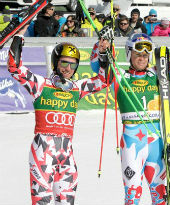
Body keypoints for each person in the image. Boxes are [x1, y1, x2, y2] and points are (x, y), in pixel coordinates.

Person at [90, 11, 170, 204]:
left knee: (162, 196)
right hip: (132, 144)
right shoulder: (120, 76)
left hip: (157, 143)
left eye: (145, 55)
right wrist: (102, 46)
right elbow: (99, 69)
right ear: (129, 54)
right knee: (132, 195)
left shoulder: (158, 74)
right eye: (137, 54)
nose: (142, 58)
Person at [7, 25, 109, 204]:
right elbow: (14, 67)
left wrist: (103, 53)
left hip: (67, 156)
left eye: (73, 64)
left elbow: (105, 80)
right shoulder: (41, 84)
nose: (68, 68)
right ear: (56, 62)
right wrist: (19, 35)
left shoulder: (77, 88)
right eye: (64, 62)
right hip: (42, 154)